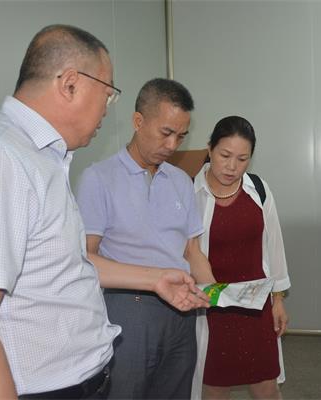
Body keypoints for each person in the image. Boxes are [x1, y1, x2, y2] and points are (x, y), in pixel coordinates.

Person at [0, 24, 208, 399]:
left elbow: (70, 264)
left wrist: (155, 278)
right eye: (107, 95)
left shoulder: (43, 160)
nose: (107, 109)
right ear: (71, 84)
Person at [76, 78, 216, 399]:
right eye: (166, 132)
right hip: (129, 311)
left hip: (181, 313)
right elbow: (86, 258)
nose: (172, 145)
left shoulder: (181, 181)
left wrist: (217, 293)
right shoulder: (99, 178)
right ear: (138, 122)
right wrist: (153, 280)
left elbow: (192, 251)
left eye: (181, 136)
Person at [191, 116, 291, 400]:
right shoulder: (190, 192)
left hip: (255, 306)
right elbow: (186, 252)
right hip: (212, 308)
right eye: (225, 155)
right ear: (210, 148)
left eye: (242, 159)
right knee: (215, 387)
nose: (232, 166)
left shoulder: (258, 190)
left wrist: (278, 299)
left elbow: (275, 246)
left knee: (266, 386)